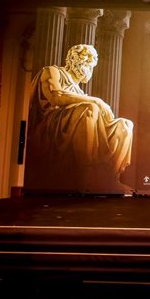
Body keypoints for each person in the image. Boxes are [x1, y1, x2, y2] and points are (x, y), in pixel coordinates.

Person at [25, 44, 133, 194]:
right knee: (90, 108)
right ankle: (85, 172)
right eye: (86, 60)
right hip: (49, 128)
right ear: (73, 59)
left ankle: (109, 178)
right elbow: (56, 96)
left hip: (71, 122)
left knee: (125, 125)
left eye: (91, 64)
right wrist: (96, 101)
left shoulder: (79, 92)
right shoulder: (52, 71)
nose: (89, 66)